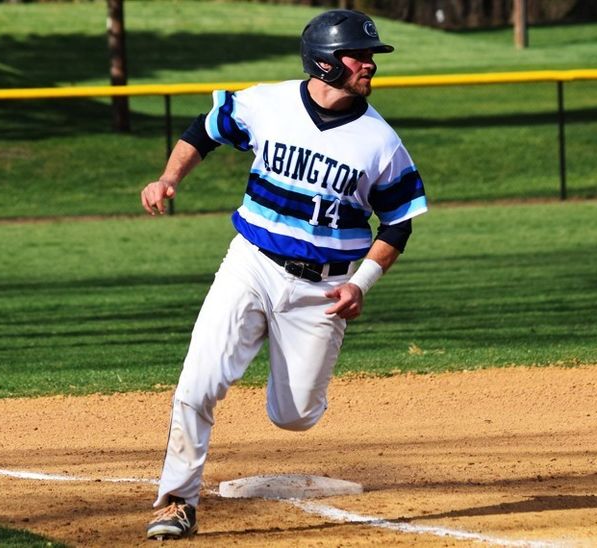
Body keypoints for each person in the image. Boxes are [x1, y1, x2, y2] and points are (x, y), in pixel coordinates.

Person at [140, 9, 427, 541]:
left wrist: (359, 284)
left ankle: (282, 364)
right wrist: (168, 177)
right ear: (323, 63)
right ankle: (176, 502)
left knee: (295, 416)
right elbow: (203, 131)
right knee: (198, 381)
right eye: (359, 55)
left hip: (323, 287)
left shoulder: (379, 141)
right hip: (251, 262)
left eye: (371, 56)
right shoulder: (265, 103)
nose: (369, 65)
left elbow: (399, 222)